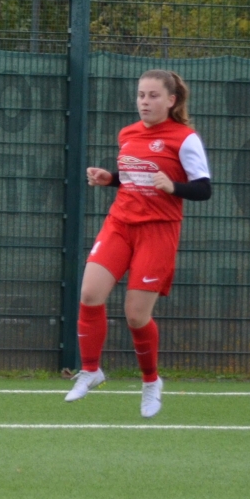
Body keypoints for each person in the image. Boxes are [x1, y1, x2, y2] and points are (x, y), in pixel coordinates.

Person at [68, 69, 211, 418]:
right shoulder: (128, 133)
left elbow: (204, 188)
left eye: (153, 96)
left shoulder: (185, 138)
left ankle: (150, 382)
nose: (144, 102)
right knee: (89, 294)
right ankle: (91, 370)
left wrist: (173, 187)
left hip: (158, 231)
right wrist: (110, 179)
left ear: (171, 101)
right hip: (120, 224)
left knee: (136, 315)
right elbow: (136, 176)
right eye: (141, 95)